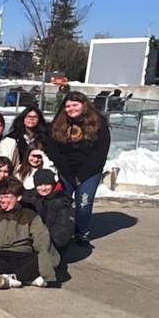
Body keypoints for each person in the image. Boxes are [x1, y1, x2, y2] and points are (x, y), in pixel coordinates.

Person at [46, 92, 110, 246]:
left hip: (89, 172)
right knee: (61, 202)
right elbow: (52, 149)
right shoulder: (58, 123)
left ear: (84, 105)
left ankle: (81, 233)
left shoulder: (98, 123)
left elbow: (101, 151)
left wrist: (82, 175)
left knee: (84, 204)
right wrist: (67, 172)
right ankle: (60, 231)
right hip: (65, 170)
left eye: (75, 105)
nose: (71, 108)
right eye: (67, 106)